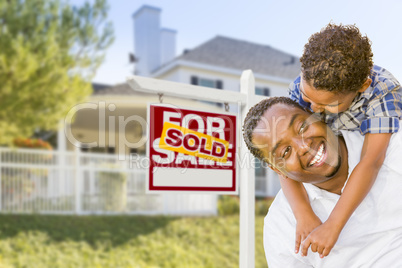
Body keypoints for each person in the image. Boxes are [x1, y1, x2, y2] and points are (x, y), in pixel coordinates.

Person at [283, 23, 402, 257]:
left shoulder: (383, 92)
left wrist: (333, 225)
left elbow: (371, 160)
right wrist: (302, 211)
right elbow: (280, 152)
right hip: (330, 153)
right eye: (308, 98)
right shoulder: (300, 87)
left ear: (362, 86)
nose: (314, 109)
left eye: (328, 105)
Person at [243, 97, 402, 267]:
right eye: (286, 151)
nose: (304, 146)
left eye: (302, 127)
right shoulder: (282, 225)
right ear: (277, 169)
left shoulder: (392, 144)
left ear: (317, 115)